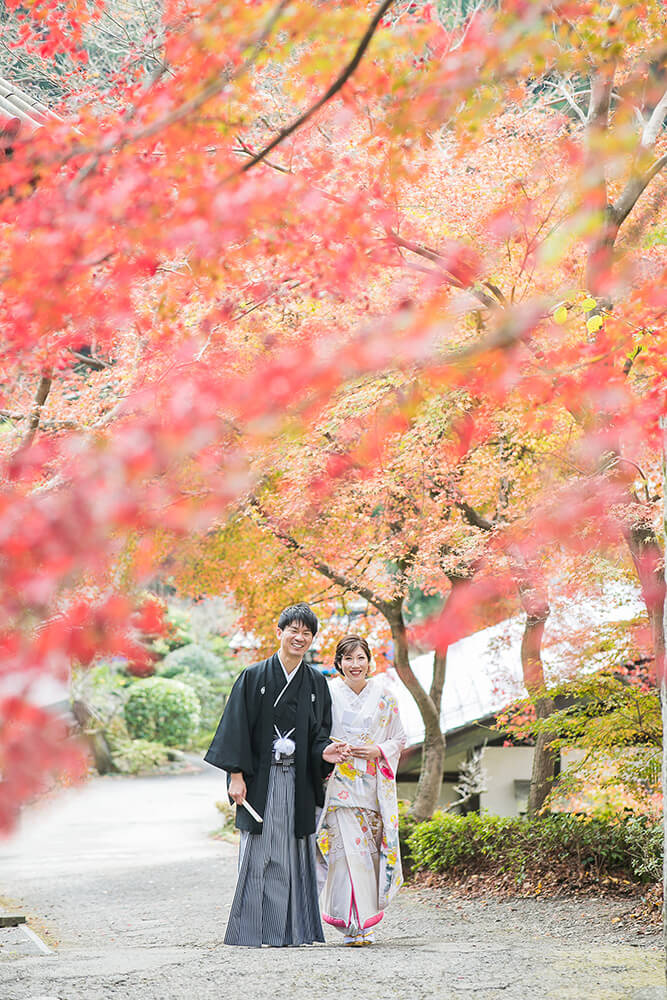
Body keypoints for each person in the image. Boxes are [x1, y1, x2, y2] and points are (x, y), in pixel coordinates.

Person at [204, 602, 347, 947]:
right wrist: (235, 775)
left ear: (312, 639)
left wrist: (324, 752)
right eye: (293, 630)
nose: (299, 638)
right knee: (259, 851)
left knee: (296, 853)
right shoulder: (253, 677)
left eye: (306, 633)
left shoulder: (315, 681)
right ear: (279, 632)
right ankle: (252, 931)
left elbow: (319, 735)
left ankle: (292, 931)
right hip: (261, 780)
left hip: (297, 781)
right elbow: (235, 730)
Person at [316, 635, 406, 946]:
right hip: (338, 786)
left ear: (369, 661)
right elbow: (315, 735)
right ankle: (351, 923)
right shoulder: (326, 694)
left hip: (372, 787)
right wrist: (331, 748)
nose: (355, 665)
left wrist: (378, 750)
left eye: (360, 658)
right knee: (346, 854)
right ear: (338, 664)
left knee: (367, 854)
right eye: (348, 659)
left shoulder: (385, 696)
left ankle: (364, 922)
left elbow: (400, 738)